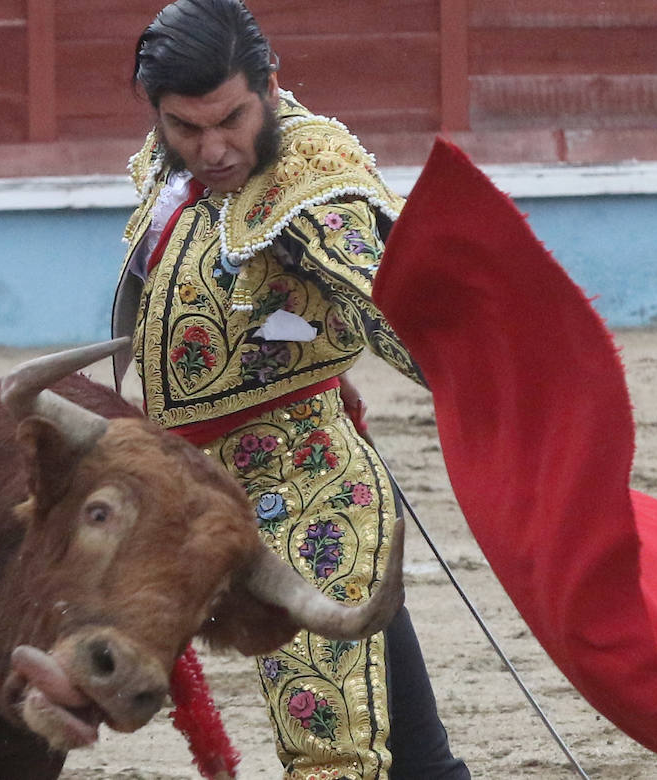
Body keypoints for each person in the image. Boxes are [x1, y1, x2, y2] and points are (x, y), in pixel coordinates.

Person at [111, 1, 471, 777]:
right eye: (184, 126)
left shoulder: (310, 182)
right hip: (197, 495)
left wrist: (477, 370)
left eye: (231, 120)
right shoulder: (173, 164)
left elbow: (387, 302)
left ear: (270, 87)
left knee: (330, 758)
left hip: (305, 496)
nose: (212, 149)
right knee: (415, 759)